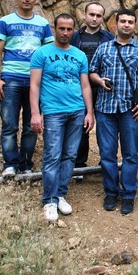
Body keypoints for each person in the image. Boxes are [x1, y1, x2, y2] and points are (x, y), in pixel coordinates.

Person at [89, 8, 138, 215]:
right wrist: (99, 80)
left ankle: (128, 194)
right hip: (105, 108)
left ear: (135, 25)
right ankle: (110, 192)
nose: (126, 25)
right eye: (123, 21)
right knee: (107, 154)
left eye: (130, 22)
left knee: (130, 154)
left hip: (130, 109)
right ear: (115, 24)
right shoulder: (103, 48)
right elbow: (92, 71)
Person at [30, 14, 94, 221]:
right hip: (53, 112)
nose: (65, 32)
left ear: (74, 30)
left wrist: (89, 112)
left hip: (77, 111)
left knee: (70, 155)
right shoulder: (42, 53)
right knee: (52, 156)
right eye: (62, 28)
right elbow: (34, 85)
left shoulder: (79, 55)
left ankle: (60, 194)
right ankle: (49, 200)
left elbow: (85, 85)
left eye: (69, 29)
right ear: (54, 29)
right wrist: (35, 113)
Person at [0, 0, 54, 178]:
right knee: (9, 124)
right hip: (11, 79)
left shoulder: (43, 24)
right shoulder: (5, 21)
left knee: (31, 126)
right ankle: (10, 164)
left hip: (35, 82)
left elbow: (48, 53)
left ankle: (26, 164)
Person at [69, 2, 114, 179]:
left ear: (102, 18)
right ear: (85, 15)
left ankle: (106, 163)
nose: (94, 18)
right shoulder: (74, 37)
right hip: (79, 88)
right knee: (81, 126)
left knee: (105, 127)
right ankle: (79, 165)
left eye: (98, 15)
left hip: (104, 88)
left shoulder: (109, 38)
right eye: (91, 14)